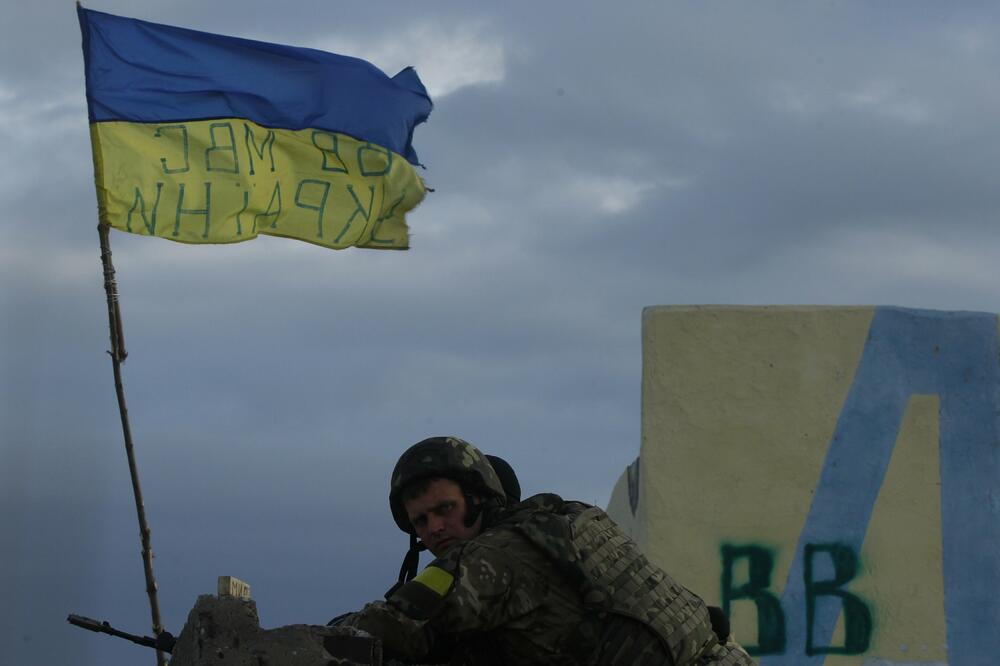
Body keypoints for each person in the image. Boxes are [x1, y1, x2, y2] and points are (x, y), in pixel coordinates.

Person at [338, 436, 752, 665]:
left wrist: (317, 638)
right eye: (421, 521)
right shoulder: (569, 519)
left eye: (445, 509)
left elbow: (397, 623)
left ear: (480, 497)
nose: (434, 529)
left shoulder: (489, 559)